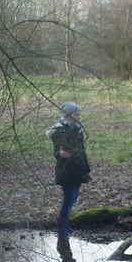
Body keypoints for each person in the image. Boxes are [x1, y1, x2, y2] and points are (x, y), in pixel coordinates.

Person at [47, 102, 91, 239]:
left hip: (78, 169)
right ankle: (62, 227)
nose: (79, 116)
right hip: (66, 170)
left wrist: (85, 168)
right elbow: (57, 151)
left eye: (79, 113)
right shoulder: (59, 130)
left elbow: (81, 151)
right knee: (69, 199)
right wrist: (61, 154)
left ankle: (66, 225)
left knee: (73, 199)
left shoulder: (77, 128)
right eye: (77, 114)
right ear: (69, 114)